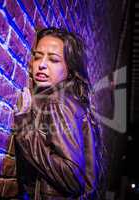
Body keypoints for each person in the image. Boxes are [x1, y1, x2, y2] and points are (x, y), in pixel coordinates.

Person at [12, 27, 105, 199]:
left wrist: (24, 128)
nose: (42, 65)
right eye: (38, 56)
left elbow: (72, 178)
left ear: (69, 69)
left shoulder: (58, 102)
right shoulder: (72, 102)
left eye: (53, 60)